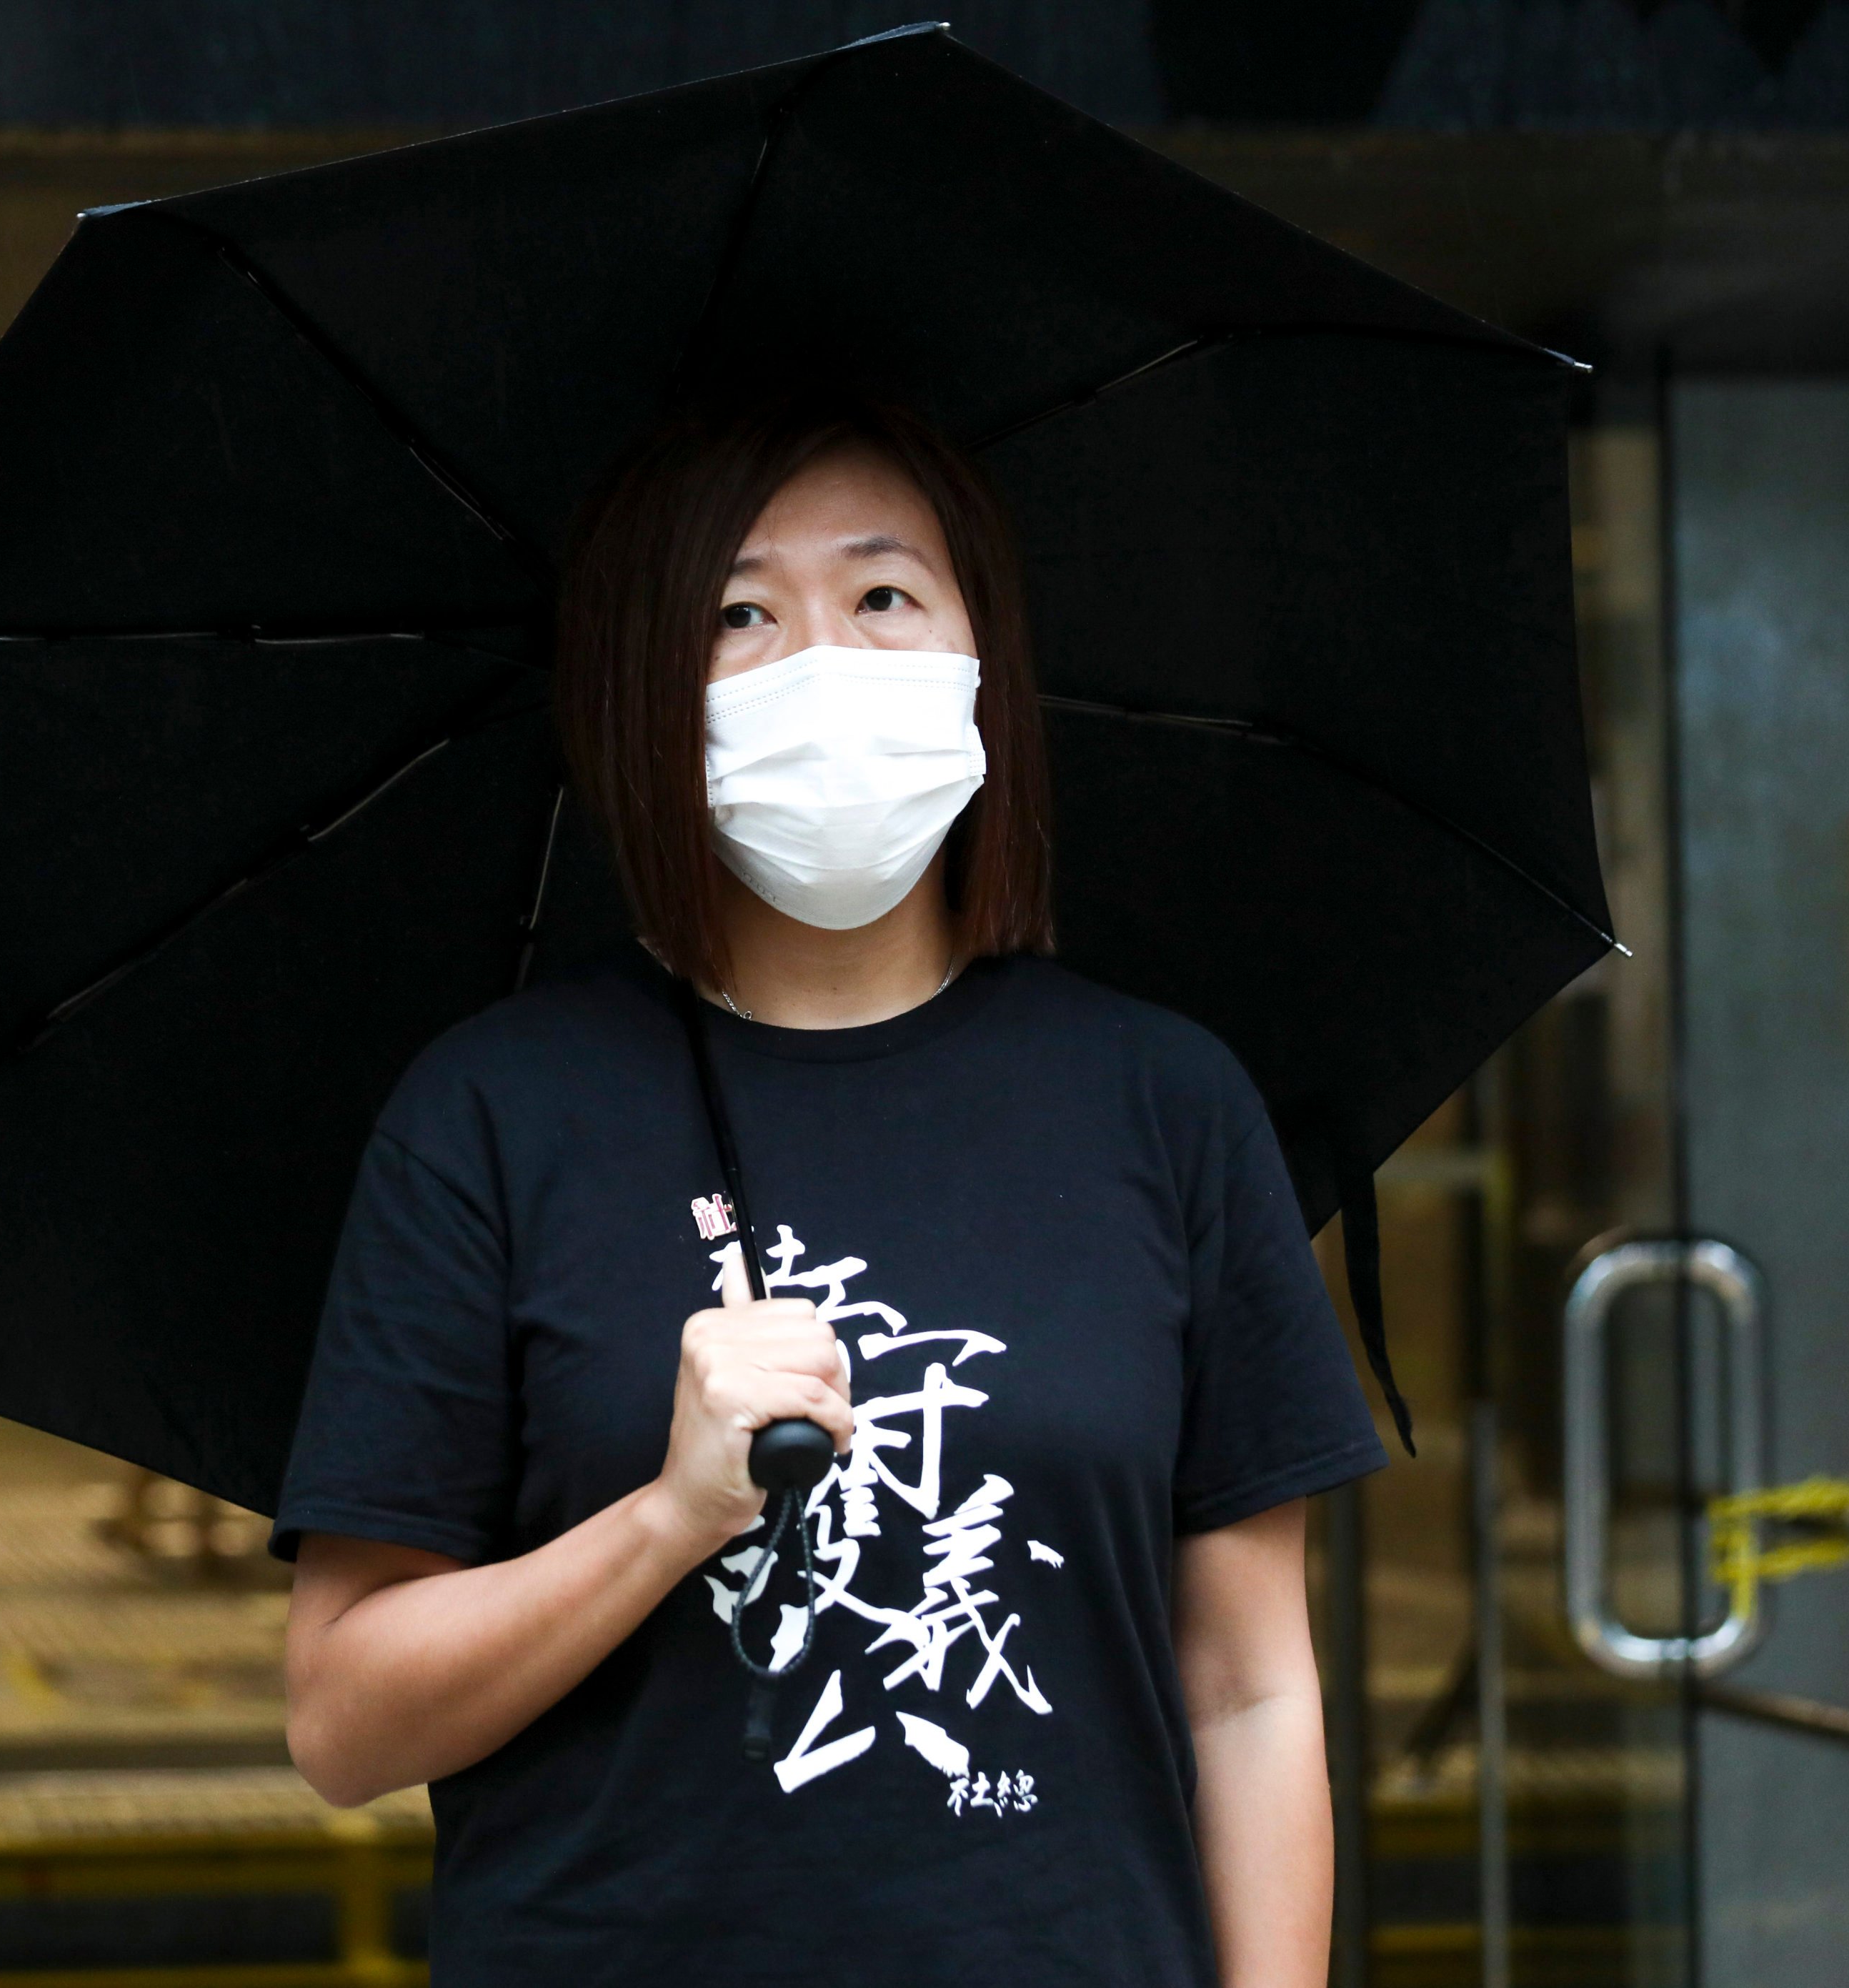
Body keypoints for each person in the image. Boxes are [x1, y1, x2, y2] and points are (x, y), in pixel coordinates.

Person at [276, 394, 1387, 1987]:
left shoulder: (1162, 1101)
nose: (822, 664)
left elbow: (1249, 1684)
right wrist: (667, 1516)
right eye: (739, 612)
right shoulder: (494, 1113)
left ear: (979, 653)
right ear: (644, 693)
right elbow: (339, 1721)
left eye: (882, 596)